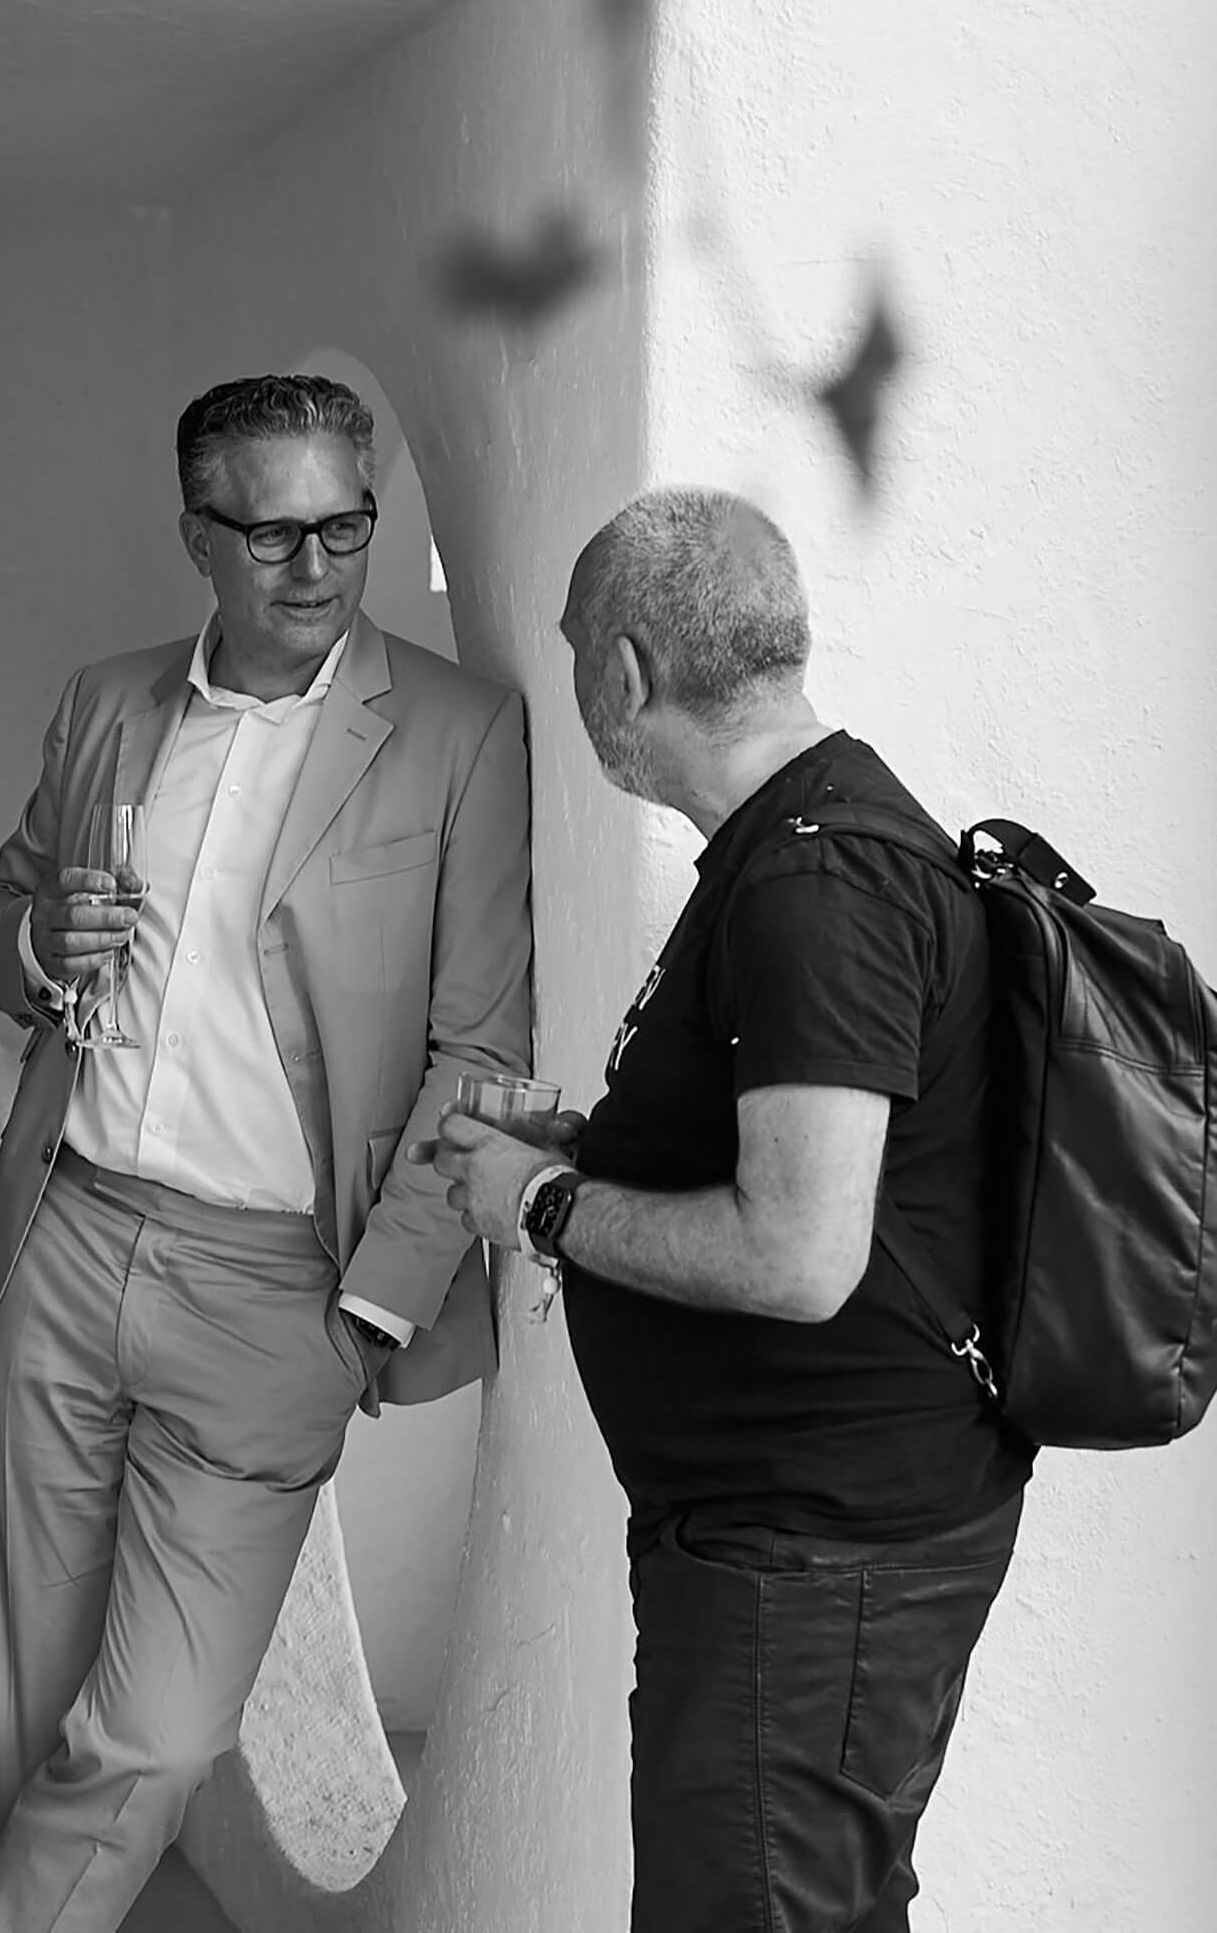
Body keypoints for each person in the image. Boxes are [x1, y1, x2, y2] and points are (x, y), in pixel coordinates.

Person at [0, 374, 535, 1933]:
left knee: (152, 1735)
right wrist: (37, 941)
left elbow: (479, 1051)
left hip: (281, 1291)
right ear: (197, 536)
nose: (317, 566)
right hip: (69, 1239)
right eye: (273, 534)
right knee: (31, 1703)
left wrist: (371, 1311)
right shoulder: (107, 704)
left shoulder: (461, 734)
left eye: (346, 525)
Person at [434, 486, 1032, 1932]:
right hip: (799, 1554)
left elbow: (801, 1252)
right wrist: (599, 1151)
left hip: (808, 1567)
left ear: (625, 670)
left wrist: (545, 1203)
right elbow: (805, 1166)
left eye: (576, 653)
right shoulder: (799, 848)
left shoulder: (816, 882)